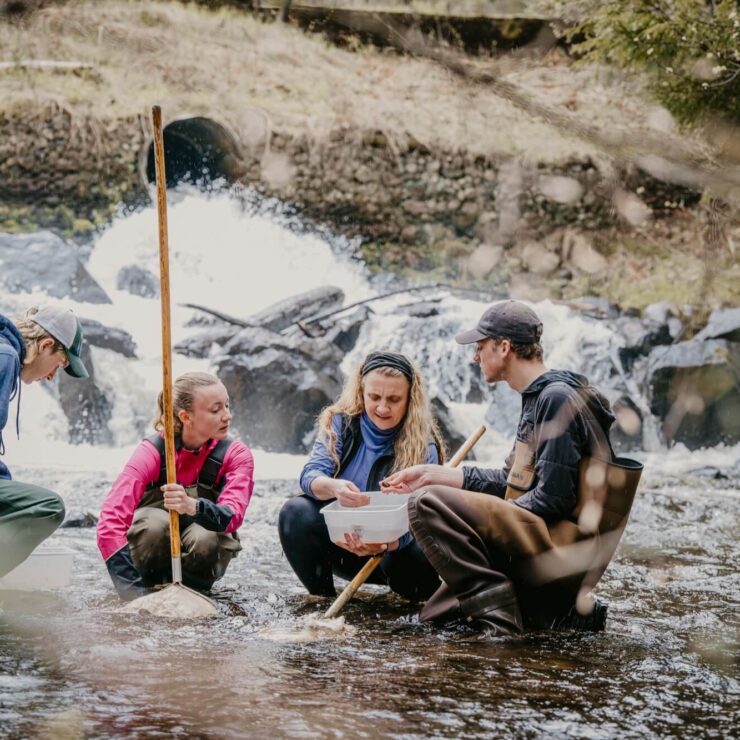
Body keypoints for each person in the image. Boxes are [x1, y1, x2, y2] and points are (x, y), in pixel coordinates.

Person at [381, 300, 626, 637]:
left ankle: (501, 624)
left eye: (481, 347)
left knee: (425, 503)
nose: (475, 356)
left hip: (560, 552)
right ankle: (540, 613)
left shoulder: (555, 399)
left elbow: (554, 499)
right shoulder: (540, 397)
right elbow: (512, 483)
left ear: (504, 347)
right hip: (538, 538)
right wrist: (440, 475)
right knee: (433, 619)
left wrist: (485, 520)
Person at [279, 351, 446, 601]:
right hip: (345, 547)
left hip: (397, 556)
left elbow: (427, 520)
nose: (382, 407)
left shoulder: (424, 445)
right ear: (361, 392)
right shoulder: (340, 423)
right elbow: (310, 475)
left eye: (394, 399)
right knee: (294, 512)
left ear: (410, 399)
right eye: (374, 397)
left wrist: (389, 544)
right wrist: (334, 487)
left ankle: (413, 608)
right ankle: (321, 599)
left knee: (421, 546)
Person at [97, 372, 254, 601]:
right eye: (215, 410)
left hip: (201, 537)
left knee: (207, 540)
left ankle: (196, 592)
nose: (227, 416)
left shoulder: (237, 455)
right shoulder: (151, 452)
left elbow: (233, 516)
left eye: (228, 406)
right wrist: (132, 594)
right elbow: (110, 523)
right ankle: (151, 587)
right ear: (185, 416)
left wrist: (194, 506)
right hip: (151, 549)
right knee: (154, 526)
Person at [0, 305, 89, 577]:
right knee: (47, 506)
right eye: (60, 365)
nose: (51, 376)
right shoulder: (5, 358)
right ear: (45, 345)